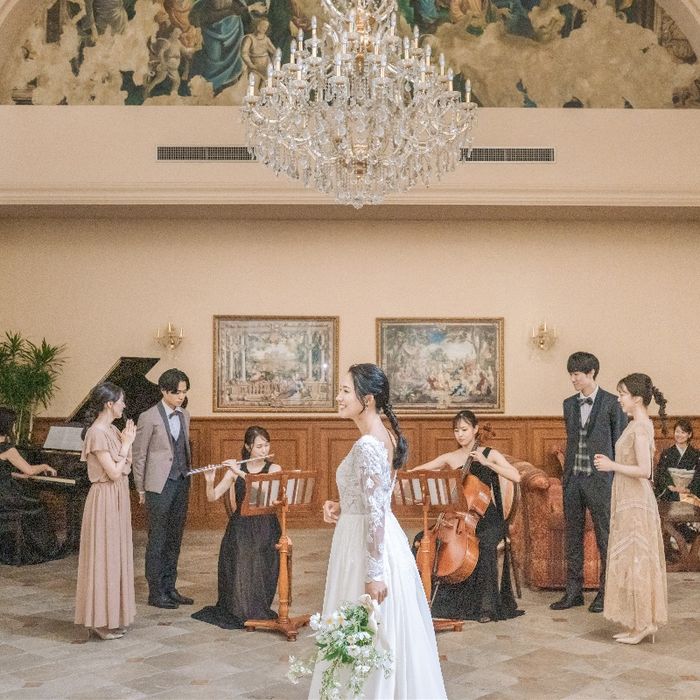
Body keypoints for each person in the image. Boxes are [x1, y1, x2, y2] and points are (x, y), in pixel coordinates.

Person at [310, 363, 446, 699]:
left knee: (367, 633)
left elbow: (375, 512)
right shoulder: (384, 436)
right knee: (374, 635)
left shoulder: (369, 444)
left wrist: (373, 574)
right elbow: (376, 497)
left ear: (367, 399)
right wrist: (343, 505)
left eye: (345, 391)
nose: (338, 397)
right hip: (370, 535)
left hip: (367, 549)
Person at [409, 410, 523, 622]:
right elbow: (418, 471)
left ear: (476, 429)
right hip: (458, 518)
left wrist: (488, 463)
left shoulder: (489, 453)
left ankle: (486, 607)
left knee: (485, 545)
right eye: (456, 430)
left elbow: (516, 476)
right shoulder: (450, 457)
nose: (460, 434)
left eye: (464, 429)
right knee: (421, 539)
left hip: (487, 518)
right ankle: (425, 599)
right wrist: (414, 475)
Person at [550, 351, 627, 614]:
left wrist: (616, 477)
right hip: (573, 480)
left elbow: (620, 444)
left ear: (591, 373)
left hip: (601, 481)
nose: (572, 379)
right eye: (570, 374)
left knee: (605, 538)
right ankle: (573, 592)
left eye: (576, 374)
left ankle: (606, 593)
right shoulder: (568, 404)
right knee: (572, 537)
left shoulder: (612, 403)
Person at [594, 373, 668, 644]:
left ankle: (644, 624)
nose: (619, 399)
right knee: (631, 559)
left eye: (623, 394)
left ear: (637, 398)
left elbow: (645, 470)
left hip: (635, 500)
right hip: (627, 497)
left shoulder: (640, 427)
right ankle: (638, 622)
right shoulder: (636, 424)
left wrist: (611, 465)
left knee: (637, 560)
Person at [192, 426, 282, 629]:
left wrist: (239, 472)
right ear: (248, 447)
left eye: (266, 445)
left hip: (266, 524)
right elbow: (212, 496)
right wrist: (209, 481)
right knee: (239, 552)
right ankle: (239, 608)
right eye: (259, 446)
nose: (264, 450)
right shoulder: (234, 471)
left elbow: (267, 492)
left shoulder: (274, 469)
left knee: (258, 556)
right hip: (241, 524)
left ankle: (256, 607)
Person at [74, 383, 136, 640]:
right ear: (109, 404)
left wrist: (125, 447)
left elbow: (125, 468)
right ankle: (99, 620)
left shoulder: (112, 429)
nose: (124, 405)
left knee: (116, 556)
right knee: (103, 557)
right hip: (104, 499)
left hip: (118, 496)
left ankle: (111, 617)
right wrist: (126, 445)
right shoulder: (97, 433)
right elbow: (113, 472)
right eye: (121, 401)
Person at [132, 368, 193, 609]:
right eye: (177, 392)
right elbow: (139, 456)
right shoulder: (148, 417)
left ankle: (170, 587)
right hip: (158, 485)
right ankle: (156, 592)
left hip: (181, 481)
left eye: (184, 392)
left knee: (175, 538)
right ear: (164, 391)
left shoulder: (185, 415)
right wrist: (140, 488)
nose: (181, 397)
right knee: (157, 538)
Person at [0, 407, 60, 565]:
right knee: (38, 506)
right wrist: (45, 466)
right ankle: (44, 550)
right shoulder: (8, 449)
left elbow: (4, 471)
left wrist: (18, 476)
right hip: (6, 496)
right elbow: (30, 470)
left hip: (2, 495)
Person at [655, 418, 700, 503]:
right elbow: (661, 473)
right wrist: (671, 486)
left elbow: (698, 476)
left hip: (690, 494)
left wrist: (688, 489)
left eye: (683, 432)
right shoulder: (666, 454)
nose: (679, 435)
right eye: (677, 432)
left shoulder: (697, 455)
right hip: (670, 492)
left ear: (689, 434)